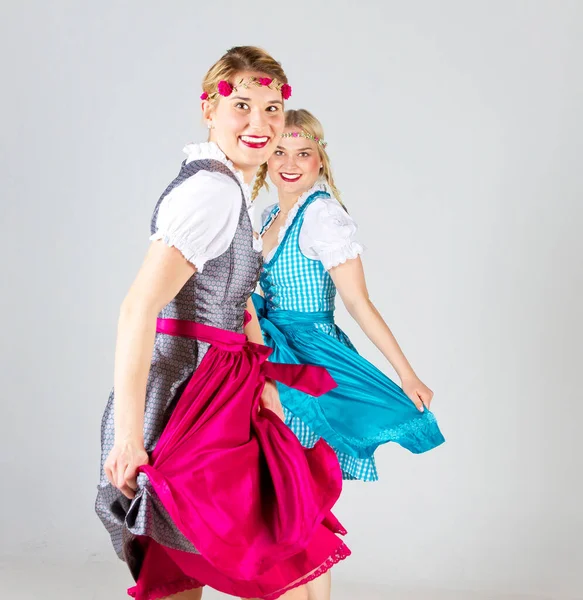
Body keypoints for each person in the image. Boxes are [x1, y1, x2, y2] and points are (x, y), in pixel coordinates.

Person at [96, 51, 349, 600]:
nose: (260, 124)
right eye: (242, 107)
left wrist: (263, 381)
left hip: (219, 389)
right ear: (209, 110)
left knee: (188, 561)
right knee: (282, 549)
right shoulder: (211, 190)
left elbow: (235, 300)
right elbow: (139, 308)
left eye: (273, 109)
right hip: (193, 398)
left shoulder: (228, 185)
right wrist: (129, 438)